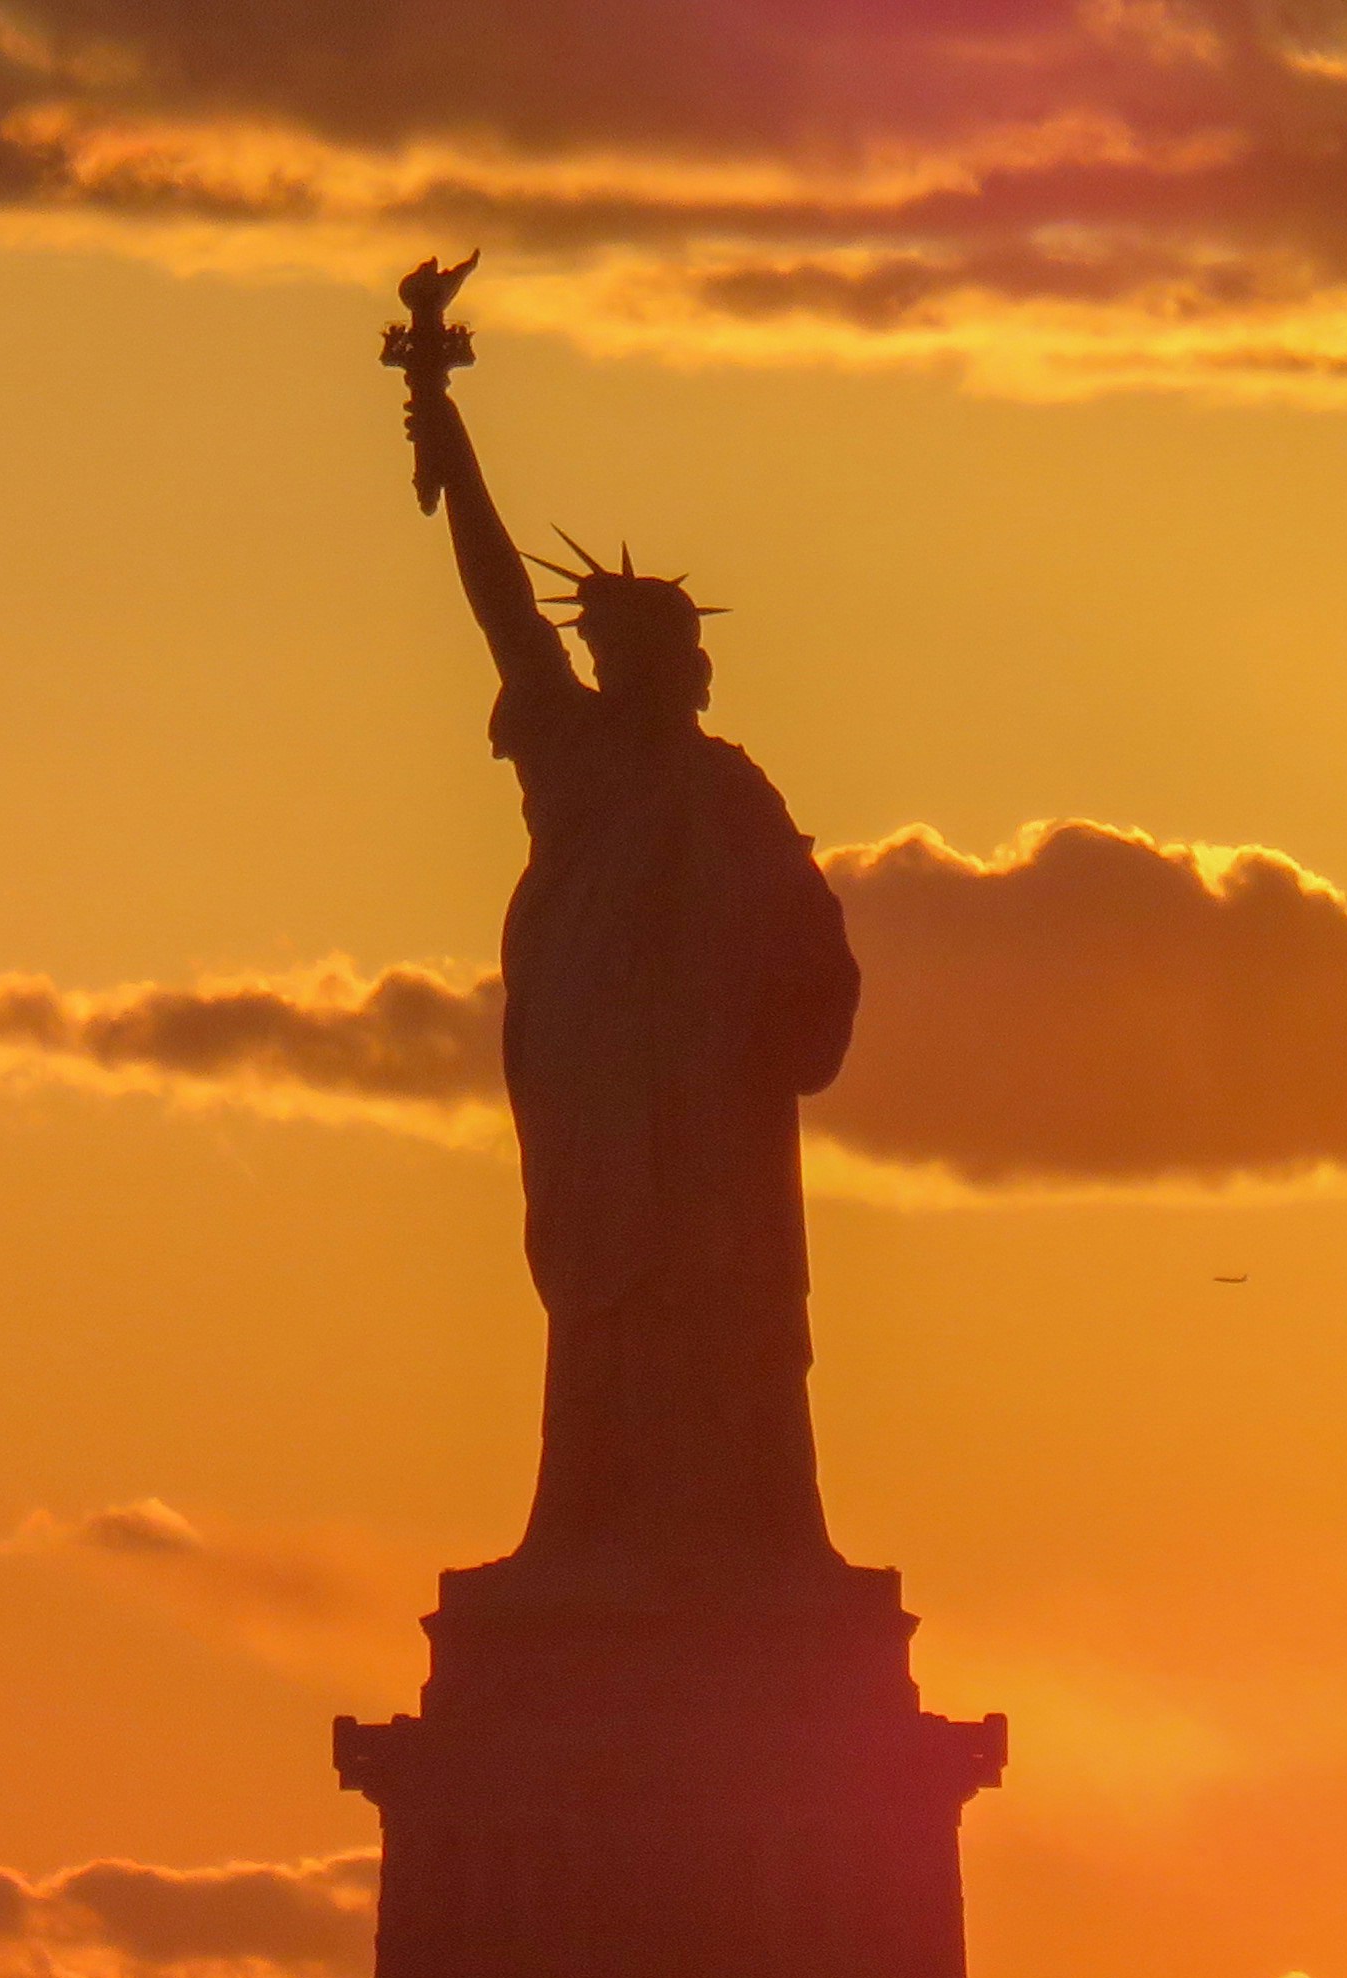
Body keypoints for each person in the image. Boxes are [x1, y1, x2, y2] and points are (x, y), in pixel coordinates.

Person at [393, 256, 858, 1583]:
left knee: (731, 1322)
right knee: (613, 1318)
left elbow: (810, 943)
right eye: (608, 657)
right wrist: (437, 409)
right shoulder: (575, 757)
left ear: (690, 670)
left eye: (643, 657)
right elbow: (495, 597)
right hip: (609, 1093)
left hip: (712, 1105)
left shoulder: (729, 792)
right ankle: (601, 1535)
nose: (620, 672)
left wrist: (800, 996)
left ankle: (748, 1543)